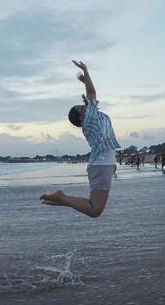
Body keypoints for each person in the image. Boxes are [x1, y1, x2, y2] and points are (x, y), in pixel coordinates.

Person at [41, 61, 120, 218]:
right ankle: (61, 197)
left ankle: (60, 200)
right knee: (95, 210)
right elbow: (92, 93)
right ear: (82, 117)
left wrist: (85, 81)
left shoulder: (93, 117)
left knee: (94, 208)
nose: (86, 106)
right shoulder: (90, 121)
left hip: (102, 164)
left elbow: (91, 95)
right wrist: (85, 70)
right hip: (101, 164)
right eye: (83, 108)